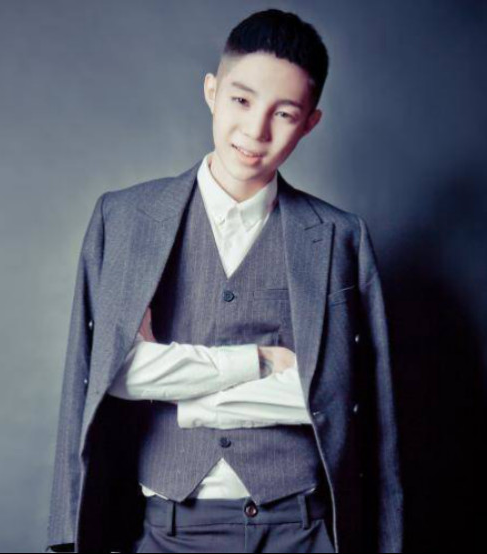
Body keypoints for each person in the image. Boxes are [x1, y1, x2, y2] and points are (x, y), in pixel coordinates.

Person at [46, 8, 404, 553]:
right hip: (165, 529)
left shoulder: (340, 236)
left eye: (283, 113)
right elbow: (112, 374)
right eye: (241, 100)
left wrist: (184, 398)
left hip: (301, 529)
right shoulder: (124, 219)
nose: (256, 131)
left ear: (310, 123)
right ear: (212, 92)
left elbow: (338, 395)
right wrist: (260, 362)